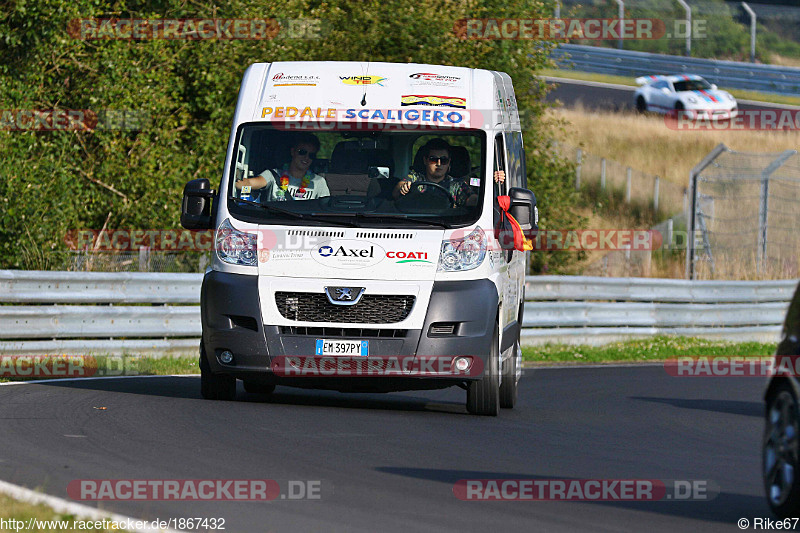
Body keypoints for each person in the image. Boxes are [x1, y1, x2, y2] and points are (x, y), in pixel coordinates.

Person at [392, 138, 505, 207]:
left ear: (449, 162)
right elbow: (398, 188)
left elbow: (473, 200)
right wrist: (403, 188)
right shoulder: (415, 178)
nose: (439, 164)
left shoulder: (457, 185)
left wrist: (491, 182)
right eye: (433, 159)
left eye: (444, 160)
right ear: (425, 160)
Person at [235, 133, 329, 201]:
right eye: (302, 152)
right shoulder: (273, 174)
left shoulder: (319, 182)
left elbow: (325, 210)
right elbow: (249, 183)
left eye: (311, 155)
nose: (306, 157)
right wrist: (233, 178)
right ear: (293, 152)